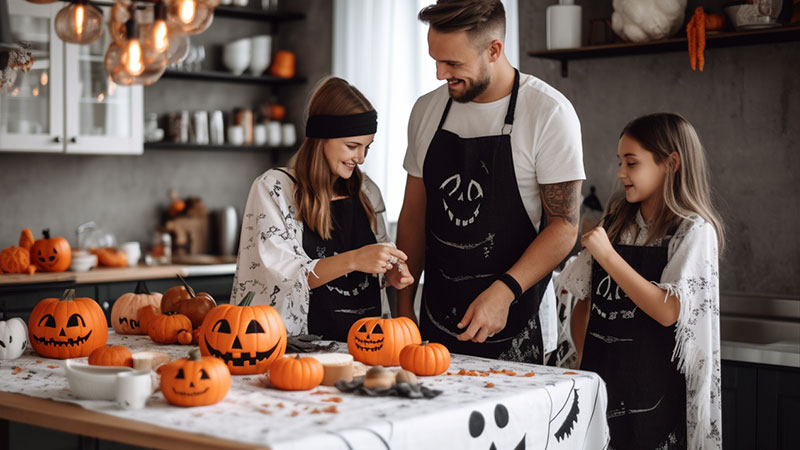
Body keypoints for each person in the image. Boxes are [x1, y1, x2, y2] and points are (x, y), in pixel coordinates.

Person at [391, 0, 584, 364]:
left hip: (516, 323)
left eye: (452, 63)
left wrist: (505, 291)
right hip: (435, 326)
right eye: (435, 60)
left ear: (494, 50)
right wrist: (403, 309)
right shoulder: (426, 111)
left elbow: (564, 227)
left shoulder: (548, 113)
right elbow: (414, 215)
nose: (439, 74)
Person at [560, 113, 724, 449]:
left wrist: (607, 256)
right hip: (603, 387)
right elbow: (583, 299)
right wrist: (583, 362)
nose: (620, 173)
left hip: (656, 399)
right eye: (620, 162)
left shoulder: (693, 232)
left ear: (670, 163)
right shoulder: (618, 222)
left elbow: (668, 311)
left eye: (631, 163)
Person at [231, 77, 413, 341]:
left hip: (367, 345)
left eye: (367, 147)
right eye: (352, 146)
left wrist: (389, 272)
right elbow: (282, 277)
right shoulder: (275, 189)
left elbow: (372, 266)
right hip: (301, 350)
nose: (360, 158)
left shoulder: (366, 191)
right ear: (321, 138)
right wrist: (354, 259)